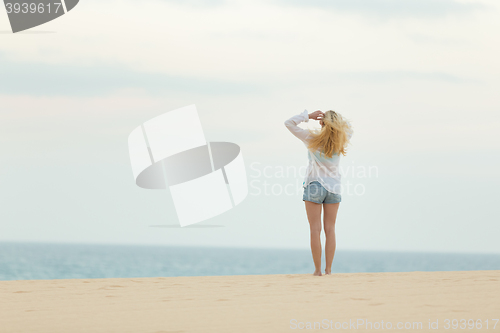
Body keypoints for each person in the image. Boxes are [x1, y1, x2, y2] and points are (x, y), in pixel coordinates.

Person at [284, 109, 353, 276]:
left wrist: (308, 116)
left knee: (315, 229)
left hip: (314, 185)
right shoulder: (343, 138)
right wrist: (333, 120)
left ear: (321, 123)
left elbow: (289, 123)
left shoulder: (311, 137)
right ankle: (328, 270)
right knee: (330, 229)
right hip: (334, 188)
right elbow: (349, 126)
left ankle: (317, 271)